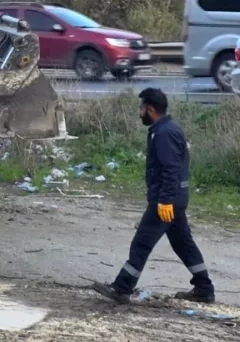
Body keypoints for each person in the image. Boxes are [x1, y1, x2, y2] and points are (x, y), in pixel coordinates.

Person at [92, 88, 215, 304]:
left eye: (141, 109)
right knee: (184, 244)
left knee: (141, 243)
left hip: (166, 202)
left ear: (150, 109)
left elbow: (170, 170)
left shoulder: (165, 133)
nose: (139, 113)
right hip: (174, 199)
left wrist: (165, 200)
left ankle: (122, 288)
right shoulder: (166, 129)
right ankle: (204, 289)